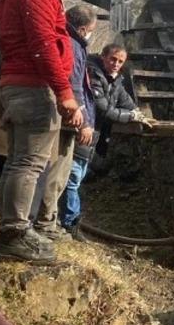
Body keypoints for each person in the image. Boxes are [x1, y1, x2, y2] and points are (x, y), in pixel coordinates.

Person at [0, 0, 82, 264]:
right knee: (28, 163)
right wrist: (64, 92)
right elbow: (43, 44)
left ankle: (11, 229)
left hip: (16, 82)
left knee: (19, 160)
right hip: (34, 85)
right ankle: (14, 233)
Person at [58, 43, 150, 233]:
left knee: (77, 175)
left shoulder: (115, 80)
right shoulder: (93, 74)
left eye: (120, 61)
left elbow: (127, 103)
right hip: (82, 130)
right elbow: (104, 109)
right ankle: (69, 222)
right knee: (72, 178)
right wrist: (130, 116)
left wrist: (137, 114)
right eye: (113, 59)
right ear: (103, 57)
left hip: (93, 136)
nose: (116, 64)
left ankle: (64, 219)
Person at [33, 5, 96, 242]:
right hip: (67, 117)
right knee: (56, 173)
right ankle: (45, 222)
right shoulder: (73, 46)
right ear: (81, 29)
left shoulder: (65, 40)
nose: (89, 34)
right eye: (90, 30)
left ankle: (46, 219)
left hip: (61, 113)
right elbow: (74, 83)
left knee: (56, 173)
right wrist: (84, 121)